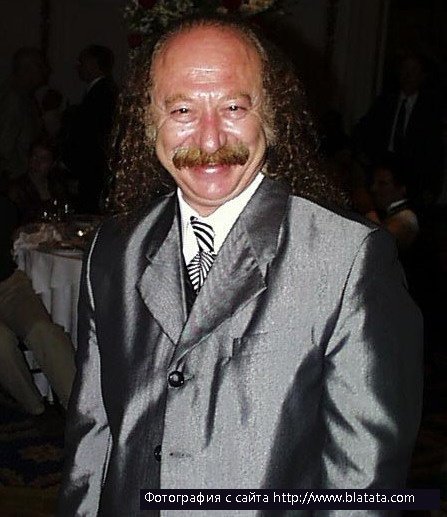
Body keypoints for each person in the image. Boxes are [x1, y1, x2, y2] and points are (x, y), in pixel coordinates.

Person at [58, 17, 423, 516]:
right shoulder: (113, 250)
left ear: (269, 115)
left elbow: (362, 490)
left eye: (233, 107)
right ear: (148, 122)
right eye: (182, 110)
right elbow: (92, 439)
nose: (210, 139)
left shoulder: (349, 259)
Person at [0, 193, 75, 415]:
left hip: (8, 285)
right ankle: (34, 408)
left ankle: (83, 410)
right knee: (1, 342)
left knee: (44, 331)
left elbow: (9, 213)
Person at [353, 53, 444, 209]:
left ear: (422, 76)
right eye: (404, 70)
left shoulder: (430, 110)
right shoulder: (385, 102)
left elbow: (435, 150)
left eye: (413, 70)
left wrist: (432, 187)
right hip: (382, 168)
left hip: (413, 176)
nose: (408, 75)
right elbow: (363, 129)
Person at [62, 44, 118, 213]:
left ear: (93, 63)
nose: (77, 66)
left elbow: (90, 139)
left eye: (81, 62)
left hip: (92, 172)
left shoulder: (101, 94)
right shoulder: (102, 91)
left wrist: (78, 172)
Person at [0, 47, 48, 188]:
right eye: (41, 66)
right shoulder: (13, 99)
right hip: (13, 180)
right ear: (28, 69)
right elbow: (4, 148)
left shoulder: (24, 96)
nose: (46, 71)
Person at [8, 138, 69, 223]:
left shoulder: (57, 186)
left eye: (44, 159)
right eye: (34, 157)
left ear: (52, 164)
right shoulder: (16, 189)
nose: (37, 163)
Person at [371, 153, 419, 252]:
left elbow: (380, 244)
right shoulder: (392, 213)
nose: (374, 188)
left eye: (383, 184)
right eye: (374, 183)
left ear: (402, 188)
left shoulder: (407, 218)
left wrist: (369, 212)